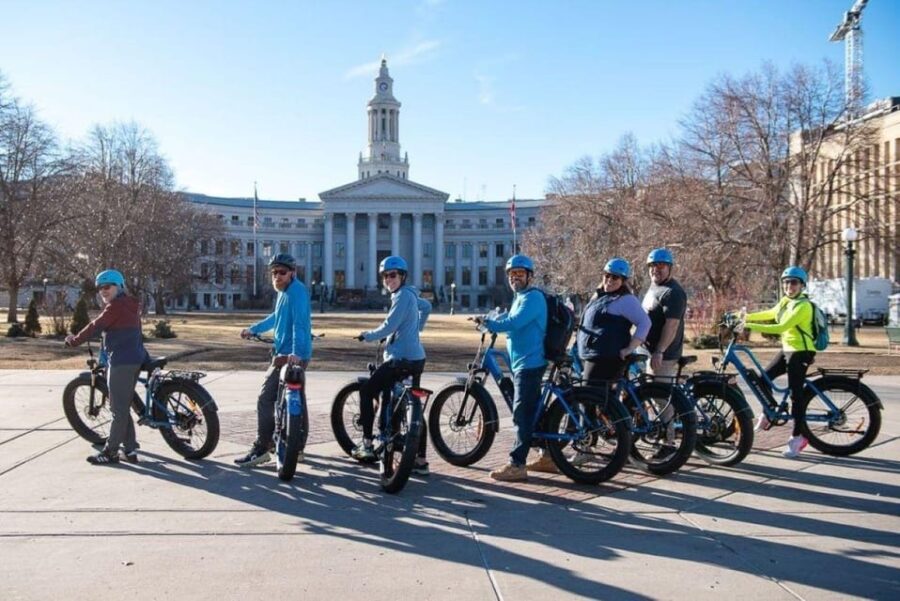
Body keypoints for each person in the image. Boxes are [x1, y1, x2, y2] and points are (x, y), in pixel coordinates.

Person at [530, 258, 650, 474]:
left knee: (586, 401)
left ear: (623, 281)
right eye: (607, 275)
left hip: (605, 359)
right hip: (592, 356)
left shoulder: (625, 300)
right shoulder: (601, 296)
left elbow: (645, 322)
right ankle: (602, 443)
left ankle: (586, 447)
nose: (609, 280)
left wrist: (630, 348)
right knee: (593, 403)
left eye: (615, 277)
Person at [351, 256, 429, 475]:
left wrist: (367, 335)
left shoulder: (402, 295)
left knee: (367, 392)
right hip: (417, 359)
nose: (388, 279)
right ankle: (421, 460)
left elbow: (389, 325)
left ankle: (366, 444)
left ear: (402, 276)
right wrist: (414, 331)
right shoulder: (412, 293)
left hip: (399, 359)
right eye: (385, 276)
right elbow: (427, 307)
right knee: (411, 404)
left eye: (393, 275)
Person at [65, 269, 149, 465]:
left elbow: (95, 326)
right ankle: (129, 450)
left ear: (119, 286)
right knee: (123, 405)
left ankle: (110, 452)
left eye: (107, 286)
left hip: (121, 361)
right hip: (135, 357)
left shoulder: (115, 307)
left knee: (117, 410)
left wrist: (74, 340)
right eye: (100, 288)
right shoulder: (130, 304)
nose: (103, 291)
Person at [235, 253, 312, 467]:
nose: (277, 276)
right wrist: (253, 329)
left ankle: (262, 447)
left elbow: (298, 324)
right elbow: (275, 318)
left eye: (282, 272)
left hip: (288, 356)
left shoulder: (296, 292)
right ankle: (297, 449)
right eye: (274, 272)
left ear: (292, 273)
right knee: (297, 399)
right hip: (295, 354)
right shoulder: (285, 292)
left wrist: (294, 354)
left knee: (265, 398)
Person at [477, 254, 548, 482]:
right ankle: (548, 456)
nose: (515, 278)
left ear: (530, 276)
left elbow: (514, 323)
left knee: (521, 414)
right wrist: (493, 317)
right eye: (511, 275)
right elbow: (510, 316)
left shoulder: (532, 298)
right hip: (523, 362)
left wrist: (489, 323)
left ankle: (517, 464)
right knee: (534, 412)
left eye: (520, 274)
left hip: (530, 363)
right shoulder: (521, 297)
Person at [742, 266, 816, 458]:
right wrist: (743, 316)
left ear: (801, 285)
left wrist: (747, 325)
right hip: (787, 350)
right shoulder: (785, 302)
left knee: (796, 395)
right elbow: (770, 314)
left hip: (801, 352)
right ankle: (768, 412)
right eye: (786, 282)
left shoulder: (803, 306)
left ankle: (797, 438)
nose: (789, 286)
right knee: (762, 379)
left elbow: (781, 326)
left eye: (793, 282)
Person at [641, 248, 688, 458]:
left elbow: (671, 326)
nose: (656, 270)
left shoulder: (673, 292)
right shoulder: (653, 288)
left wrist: (659, 351)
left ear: (669, 268)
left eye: (660, 266)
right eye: (652, 266)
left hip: (664, 355)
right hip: (646, 352)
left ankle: (668, 444)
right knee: (649, 395)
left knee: (662, 399)